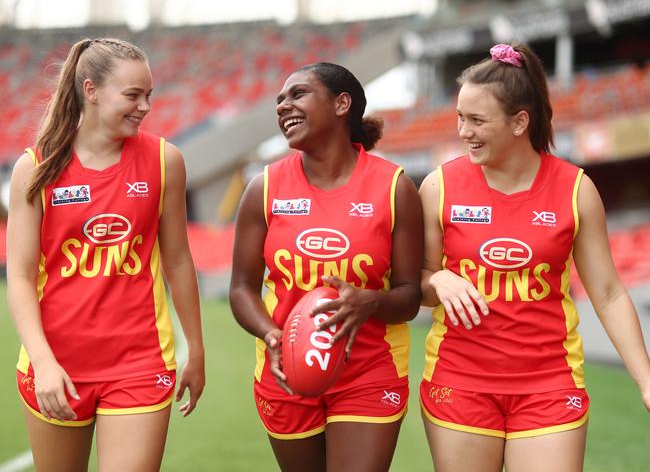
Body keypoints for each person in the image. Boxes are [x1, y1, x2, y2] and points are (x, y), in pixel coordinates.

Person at [418, 42, 650, 472]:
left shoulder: (576, 189)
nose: (463, 131)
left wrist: (646, 379)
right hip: (460, 381)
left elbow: (609, 293)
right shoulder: (438, 187)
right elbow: (416, 283)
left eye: (476, 120)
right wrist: (436, 280)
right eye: (459, 118)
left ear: (520, 121)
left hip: (549, 384)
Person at [6, 37, 205, 471]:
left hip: (139, 362)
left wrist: (197, 348)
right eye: (133, 95)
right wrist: (42, 362)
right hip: (55, 364)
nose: (145, 106)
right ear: (91, 90)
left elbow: (178, 260)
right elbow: (19, 276)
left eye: (149, 94)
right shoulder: (35, 166)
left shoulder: (165, 160)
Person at [229, 62, 423, 471]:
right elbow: (242, 288)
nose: (283, 106)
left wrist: (369, 302)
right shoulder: (263, 188)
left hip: (370, 371)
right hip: (286, 371)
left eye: (297, 94)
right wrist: (271, 335)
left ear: (342, 104)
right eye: (279, 100)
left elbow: (409, 295)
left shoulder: (394, 187)